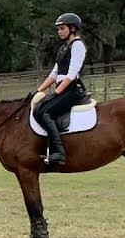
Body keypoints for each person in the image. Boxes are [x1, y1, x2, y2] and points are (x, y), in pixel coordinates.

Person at [32, 12, 89, 165]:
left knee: (45, 112)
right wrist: (39, 90)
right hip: (64, 89)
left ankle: (59, 152)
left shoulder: (77, 45)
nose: (59, 32)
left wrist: (56, 93)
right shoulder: (63, 48)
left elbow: (71, 74)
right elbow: (54, 74)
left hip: (72, 90)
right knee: (38, 108)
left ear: (72, 28)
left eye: (62, 28)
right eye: (58, 29)